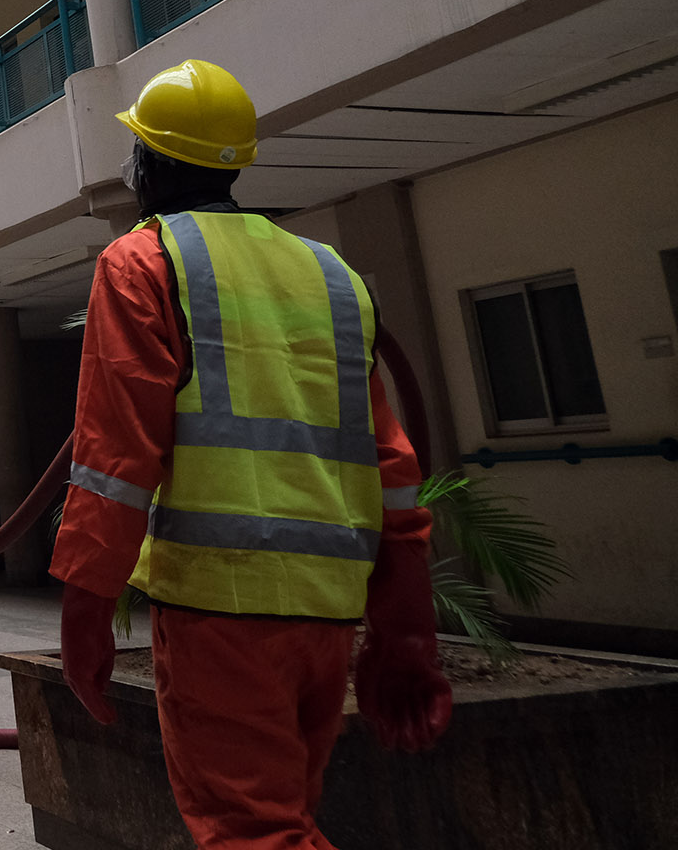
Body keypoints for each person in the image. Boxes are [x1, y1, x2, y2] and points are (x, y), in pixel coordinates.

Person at [53, 59, 451, 850]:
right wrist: (404, 631)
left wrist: (86, 614)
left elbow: (114, 466)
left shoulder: (141, 263)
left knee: (252, 833)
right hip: (328, 612)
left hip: (222, 610)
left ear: (147, 163)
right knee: (286, 820)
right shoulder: (329, 274)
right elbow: (393, 474)